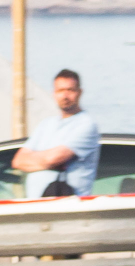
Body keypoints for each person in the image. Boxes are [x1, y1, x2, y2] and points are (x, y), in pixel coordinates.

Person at [11, 68, 102, 196]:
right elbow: (18, 161)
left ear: (79, 92)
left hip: (68, 208)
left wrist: (38, 160)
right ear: (54, 93)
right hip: (36, 207)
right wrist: (50, 163)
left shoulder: (86, 125)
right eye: (60, 90)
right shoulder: (46, 124)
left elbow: (54, 158)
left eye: (70, 90)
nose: (65, 96)